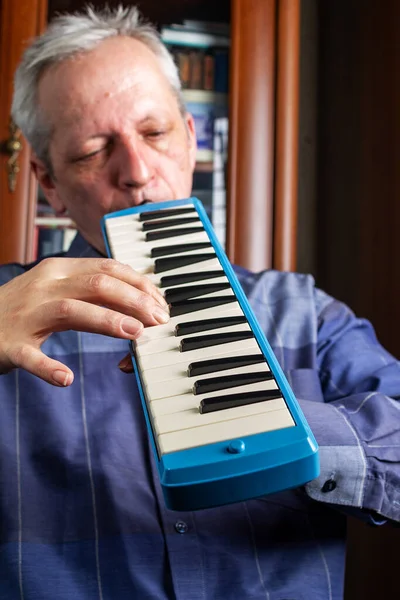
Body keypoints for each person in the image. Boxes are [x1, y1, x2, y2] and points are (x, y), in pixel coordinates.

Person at [0, 5, 399, 599]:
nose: (136, 171)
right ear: (48, 181)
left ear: (190, 140)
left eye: (155, 133)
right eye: (91, 151)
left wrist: (256, 411)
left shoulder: (305, 312)